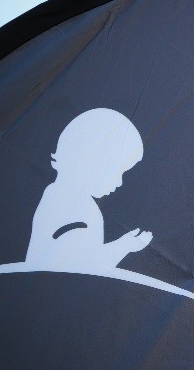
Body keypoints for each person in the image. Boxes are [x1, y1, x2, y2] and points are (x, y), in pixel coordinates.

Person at [25, 108, 152, 270]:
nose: (119, 182)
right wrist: (123, 246)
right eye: (117, 171)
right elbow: (79, 268)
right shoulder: (71, 207)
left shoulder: (63, 196)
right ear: (89, 160)